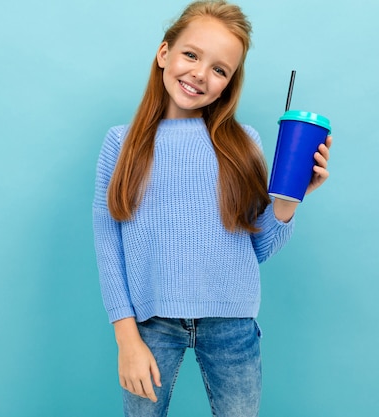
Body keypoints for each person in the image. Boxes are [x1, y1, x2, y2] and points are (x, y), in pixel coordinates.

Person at [92, 1, 333, 416]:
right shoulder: (122, 142)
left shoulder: (245, 143)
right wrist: (126, 338)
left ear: (228, 84)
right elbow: (107, 242)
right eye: (191, 54)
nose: (201, 74)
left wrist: (288, 204)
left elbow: (255, 249)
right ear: (164, 53)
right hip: (150, 327)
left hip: (233, 325)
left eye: (220, 69)